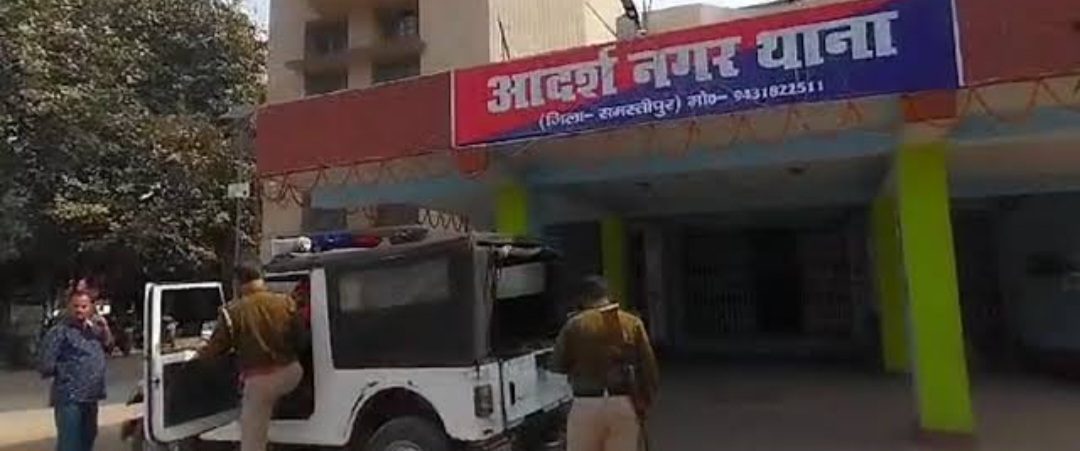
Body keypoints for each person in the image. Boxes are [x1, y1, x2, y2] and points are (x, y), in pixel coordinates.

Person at [197, 264, 305, 451]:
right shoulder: (286, 301)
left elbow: (216, 348)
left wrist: (199, 353)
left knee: (252, 438)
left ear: (237, 282)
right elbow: (301, 339)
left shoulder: (232, 311)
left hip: (262, 381)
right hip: (293, 372)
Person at [551, 276, 660, 451]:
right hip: (623, 403)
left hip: (586, 404)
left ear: (582, 298)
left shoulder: (574, 324)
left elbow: (557, 365)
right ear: (608, 295)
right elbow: (649, 368)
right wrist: (645, 401)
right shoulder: (632, 322)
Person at [38, 290, 113, 451]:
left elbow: (109, 347)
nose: (79, 310)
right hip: (70, 397)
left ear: (91, 308)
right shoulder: (59, 332)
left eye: (84, 306)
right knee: (70, 442)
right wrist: (70, 371)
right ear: (68, 308)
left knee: (88, 436)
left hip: (91, 396)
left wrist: (105, 328)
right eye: (75, 306)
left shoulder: (94, 331)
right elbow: (45, 364)